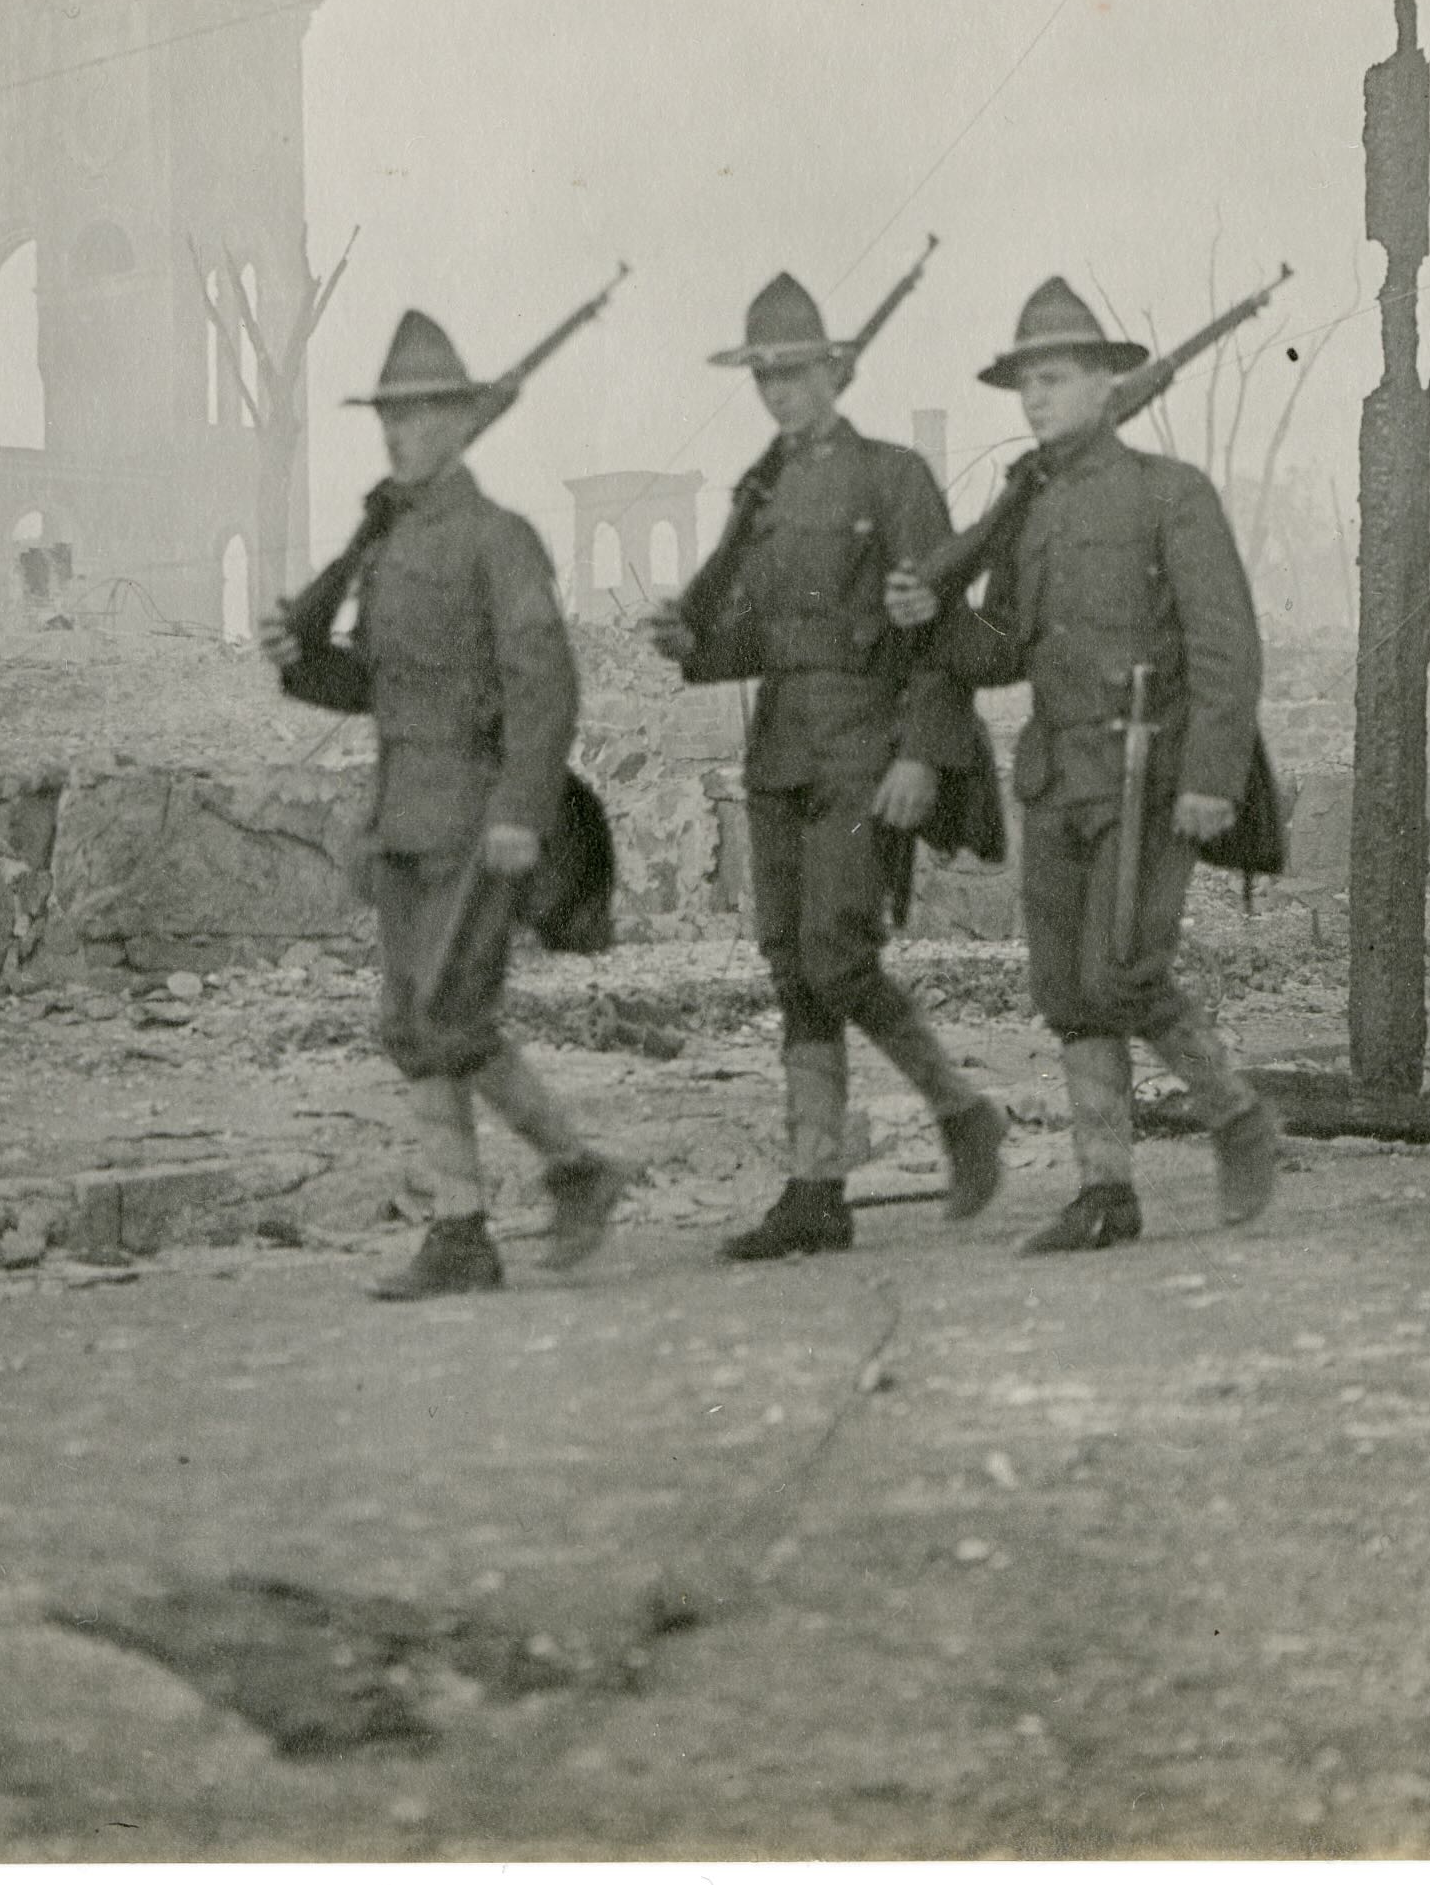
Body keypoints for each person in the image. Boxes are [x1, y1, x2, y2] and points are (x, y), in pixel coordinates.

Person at [884, 277, 1278, 1251]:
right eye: (1027, 385)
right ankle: (1107, 1191)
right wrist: (934, 621)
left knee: (1126, 971)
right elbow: (1004, 648)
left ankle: (1237, 1117)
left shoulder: (1170, 495)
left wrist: (1211, 780)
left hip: (1152, 771)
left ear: (1111, 382)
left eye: (1055, 379)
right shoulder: (1033, 511)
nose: (1036, 400)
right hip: (1056, 778)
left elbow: (1228, 648)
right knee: (1068, 992)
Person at [258, 309, 639, 1299]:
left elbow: (544, 682)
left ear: (465, 424)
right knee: (413, 1020)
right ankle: (473, 1223)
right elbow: (378, 687)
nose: (401, 433)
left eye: (423, 416)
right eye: (391, 416)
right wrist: (305, 663)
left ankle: (556, 1176)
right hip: (404, 813)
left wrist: (522, 806)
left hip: (477, 814)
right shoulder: (386, 543)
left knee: (446, 1014)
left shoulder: (498, 539)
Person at [644, 273, 1007, 1259]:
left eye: (795, 372)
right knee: (793, 971)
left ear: (833, 372)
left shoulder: (893, 478)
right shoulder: (759, 496)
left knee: (838, 952)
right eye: (764, 376)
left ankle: (961, 1108)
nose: (779, 392)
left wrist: (925, 755)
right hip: (782, 750)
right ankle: (816, 1189)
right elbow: (753, 637)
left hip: (867, 744)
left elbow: (939, 628)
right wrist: (688, 641)